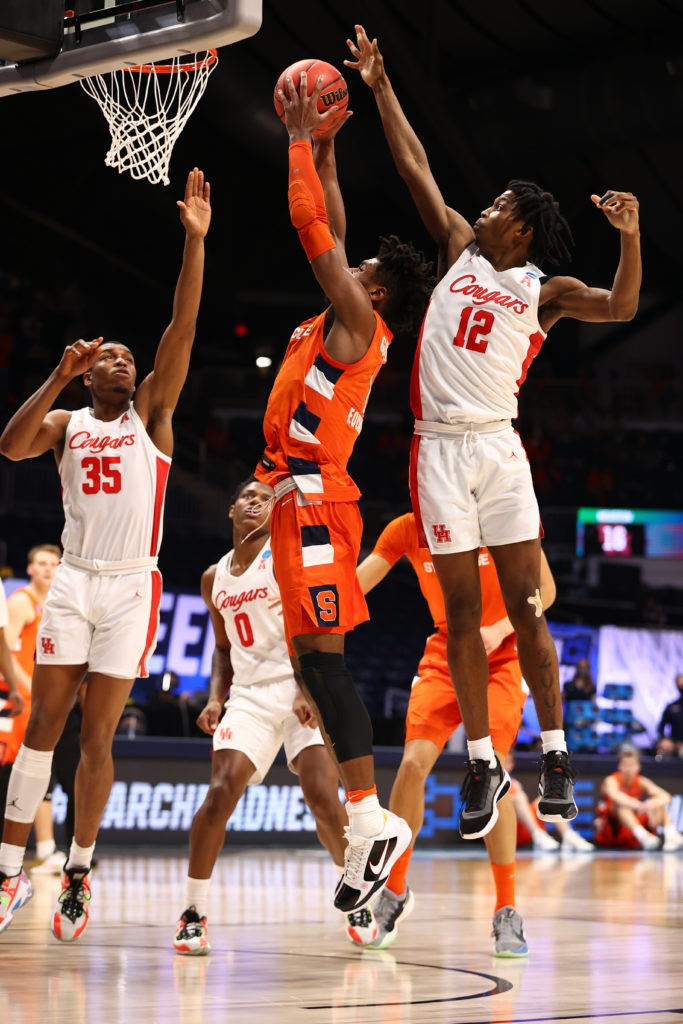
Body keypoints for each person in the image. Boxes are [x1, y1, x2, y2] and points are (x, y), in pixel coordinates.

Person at [345, 25, 642, 839]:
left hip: (498, 447)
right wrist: (378, 85)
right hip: (436, 449)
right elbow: (414, 166)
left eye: (499, 206)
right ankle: (481, 759)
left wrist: (629, 235)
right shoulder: (452, 250)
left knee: (526, 607)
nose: (484, 207)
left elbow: (620, 308)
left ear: (520, 230)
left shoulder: (544, 289)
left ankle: (553, 755)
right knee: (463, 613)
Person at [0, 167, 211, 940]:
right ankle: (8, 871)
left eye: (127, 356)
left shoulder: (151, 415)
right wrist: (55, 373)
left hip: (129, 588)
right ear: (87, 372)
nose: (122, 361)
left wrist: (193, 243)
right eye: (109, 357)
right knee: (40, 728)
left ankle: (80, 872)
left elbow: (181, 331)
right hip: (74, 582)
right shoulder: (66, 421)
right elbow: (9, 445)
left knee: (95, 737)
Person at [253, 74, 434, 914]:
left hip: (321, 501)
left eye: (361, 269)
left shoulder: (360, 322)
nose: (347, 263)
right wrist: (326, 147)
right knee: (309, 665)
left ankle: (370, 825)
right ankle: (369, 828)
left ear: (379, 293)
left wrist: (295, 133)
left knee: (325, 665)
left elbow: (310, 226)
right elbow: (332, 219)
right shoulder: (349, 312)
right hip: (295, 498)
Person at [173, 476, 378, 954]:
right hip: (248, 695)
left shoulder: (285, 560)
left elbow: (310, 634)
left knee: (324, 798)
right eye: (248, 496)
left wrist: (307, 689)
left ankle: (356, 895)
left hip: (298, 686)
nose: (257, 503)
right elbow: (222, 648)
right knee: (222, 791)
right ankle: (193, 911)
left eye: (267, 499)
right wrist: (214, 697)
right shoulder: (213, 577)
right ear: (231, 509)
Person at [355, 511, 555, 955]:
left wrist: (501, 628)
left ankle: (506, 909)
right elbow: (359, 583)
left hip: (504, 655)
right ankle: (397, 890)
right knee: (410, 766)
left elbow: (548, 590)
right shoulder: (406, 527)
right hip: (447, 651)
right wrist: (315, 603)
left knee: (494, 774)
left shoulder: (503, 512)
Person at [1, 544, 68, 875]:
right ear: (29, 568)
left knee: (40, 773)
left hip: (33, 701)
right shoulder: (20, 602)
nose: (46, 569)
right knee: (23, 771)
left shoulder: (53, 605)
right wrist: (29, 689)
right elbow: (5, 653)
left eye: (52, 564)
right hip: (13, 702)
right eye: (40, 563)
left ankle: (45, 849)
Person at [594, 746, 683, 851]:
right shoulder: (611, 780)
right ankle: (643, 836)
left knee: (658, 805)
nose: (628, 769)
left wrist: (649, 805)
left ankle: (671, 836)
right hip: (611, 829)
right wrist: (639, 805)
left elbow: (666, 796)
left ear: (638, 767)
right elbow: (615, 796)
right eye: (625, 765)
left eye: (631, 765)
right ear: (620, 766)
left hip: (632, 828)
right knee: (622, 805)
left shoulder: (641, 781)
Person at [506, 751, 594, 853]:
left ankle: (567, 835)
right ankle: (537, 835)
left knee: (550, 798)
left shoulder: (514, 783)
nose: (505, 765)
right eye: (502, 762)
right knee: (519, 797)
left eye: (507, 762)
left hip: (522, 826)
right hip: (506, 830)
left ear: (512, 764)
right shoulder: (493, 783)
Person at [657, 674, 683, 758]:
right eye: (680, 685)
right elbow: (661, 727)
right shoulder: (672, 707)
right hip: (675, 744)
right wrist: (666, 740)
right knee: (663, 749)